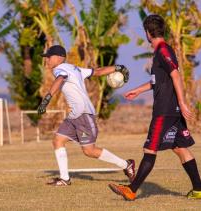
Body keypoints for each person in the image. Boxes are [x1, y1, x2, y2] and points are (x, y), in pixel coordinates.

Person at [108, 14, 201, 200]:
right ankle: (198, 190)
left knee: (150, 149)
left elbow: (175, 75)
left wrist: (182, 103)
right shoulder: (161, 51)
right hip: (171, 110)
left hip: (165, 110)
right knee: (180, 148)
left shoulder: (163, 50)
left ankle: (132, 190)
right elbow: (157, 81)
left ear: (148, 33)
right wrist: (138, 90)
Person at [37, 44, 135, 186]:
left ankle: (126, 165)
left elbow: (59, 80)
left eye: (48, 57)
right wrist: (118, 68)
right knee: (58, 140)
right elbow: (97, 72)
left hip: (83, 114)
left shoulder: (60, 69)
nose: (47, 60)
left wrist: (46, 99)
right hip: (74, 115)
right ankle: (64, 179)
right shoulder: (75, 68)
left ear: (59, 58)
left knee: (89, 151)